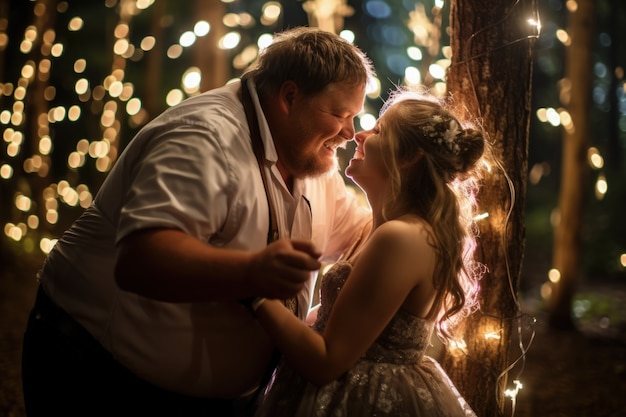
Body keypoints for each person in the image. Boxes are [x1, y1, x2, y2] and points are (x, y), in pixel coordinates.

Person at [21, 26, 375, 416]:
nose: (349, 133)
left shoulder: (311, 159)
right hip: (100, 377)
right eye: (340, 114)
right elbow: (142, 258)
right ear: (289, 97)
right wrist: (252, 271)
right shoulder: (203, 136)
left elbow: (361, 234)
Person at [249, 87, 491, 416]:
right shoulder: (377, 228)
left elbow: (326, 362)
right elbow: (337, 320)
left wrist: (254, 291)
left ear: (409, 156)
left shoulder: (401, 238)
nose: (360, 134)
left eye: (379, 130)